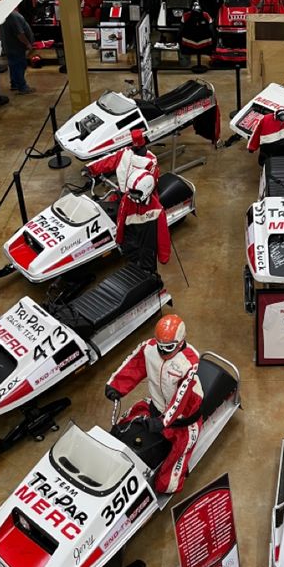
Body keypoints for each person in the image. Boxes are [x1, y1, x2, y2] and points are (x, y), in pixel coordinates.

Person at [105, 314, 203, 494]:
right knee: (120, 428)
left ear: (180, 343)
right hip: (155, 407)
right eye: (161, 346)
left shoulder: (189, 362)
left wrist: (164, 421)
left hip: (183, 419)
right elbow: (133, 365)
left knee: (167, 484)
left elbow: (180, 400)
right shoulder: (149, 348)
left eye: (169, 347)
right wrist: (115, 386)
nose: (163, 352)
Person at [86, 137, 170, 273]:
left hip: (146, 240)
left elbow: (162, 234)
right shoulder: (127, 198)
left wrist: (164, 256)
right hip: (123, 196)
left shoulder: (156, 209)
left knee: (147, 263)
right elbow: (108, 161)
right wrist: (90, 169)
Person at [0, 9, 35, 94]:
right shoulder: (13, 16)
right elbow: (20, 34)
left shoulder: (5, 15)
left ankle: (14, 84)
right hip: (15, 47)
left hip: (10, 46)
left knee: (13, 66)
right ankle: (22, 87)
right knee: (19, 65)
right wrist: (28, 44)